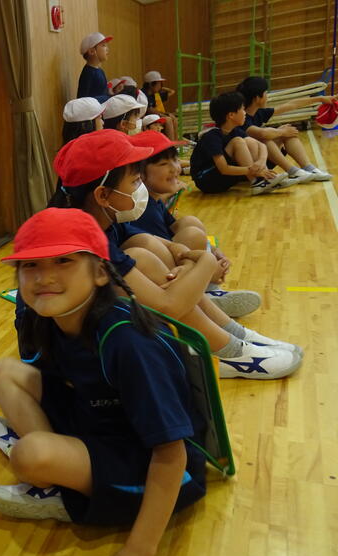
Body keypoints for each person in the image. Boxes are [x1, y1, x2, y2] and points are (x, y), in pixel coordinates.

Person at [0, 207, 208, 556]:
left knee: (30, 454)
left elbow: (172, 455)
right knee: (6, 372)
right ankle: (56, 472)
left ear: (101, 272)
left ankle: (52, 476)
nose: (44, 277)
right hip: (101, 419)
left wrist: (138, 555)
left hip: (159, 467)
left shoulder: (129, 342)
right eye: (30, 265)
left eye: (63, 261)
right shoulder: (55, 318)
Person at [48, 129, 302, 379]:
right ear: (103, 195)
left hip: (103, 322)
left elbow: (143, 239)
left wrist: (179, 252)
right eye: (135, 181)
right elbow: (168, 307)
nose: (140, 188)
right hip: (90, 347)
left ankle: (235, 335)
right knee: (145, 261)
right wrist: (203, 262)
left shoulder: (98, 219)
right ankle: (226, 352)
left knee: (144, 244)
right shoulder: (88, 240)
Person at [130, 130, 262, 318]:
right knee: (192, 234)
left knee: (190, 222)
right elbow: (162, 251)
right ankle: (203, 295)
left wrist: (213, 251)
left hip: (175, 265)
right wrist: (205, 269)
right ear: (140, 174)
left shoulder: (153, 200)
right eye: (163, 164)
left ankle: (209, 291)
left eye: (175, 160)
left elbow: (173, 230)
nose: (175, 168)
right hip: (163, 278)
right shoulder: (142, 209)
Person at [190, 92, 294, 195]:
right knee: (238, 141)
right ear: (231, 115)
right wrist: (253, 171)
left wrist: (261, 162)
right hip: (206, 180)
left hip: (223, 176)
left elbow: (261, 145)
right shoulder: (212, 136)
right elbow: (224, 169)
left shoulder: (235, 130)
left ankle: (265, 180)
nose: (245, 113)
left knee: (249, 142)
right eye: (242, 110)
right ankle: (258, 181)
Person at [236, 76, 336, 182]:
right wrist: (281, 132)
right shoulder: (242, 117)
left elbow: (291, 105)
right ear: (257, 98)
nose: (267, 96)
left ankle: (308, 168)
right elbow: (262, 134)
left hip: (262, 160)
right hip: (247, 168)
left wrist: (320, 99)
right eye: (265, 93)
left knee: (286, 131)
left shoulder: (258, 112)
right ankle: (293, 171)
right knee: (266, 138)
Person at [141, 71, 178, 139]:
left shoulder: (153, 94)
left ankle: (176, 142)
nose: (160, 86)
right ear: (151, 84)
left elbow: (154, 109)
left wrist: (166, 114)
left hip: (152, 116)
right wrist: (164, 115)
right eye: (159, 84)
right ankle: (171, 144)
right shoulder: (143, 94)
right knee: (168, 120)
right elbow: (150, 110)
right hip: (146, 118)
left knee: (173, 118)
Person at [77, 32, 112, 103]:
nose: (107, 49)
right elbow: (82, 99)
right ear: (92, 51)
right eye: (103, 45)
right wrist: (106, 98)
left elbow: (104, 93)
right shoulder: (88, 73)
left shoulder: (100, 71)